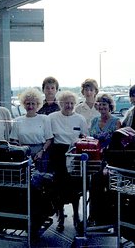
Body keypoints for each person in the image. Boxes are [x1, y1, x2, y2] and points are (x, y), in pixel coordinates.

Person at [48, 91, 88, 232]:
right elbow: (49, 137)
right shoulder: (51, 118)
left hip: (74, 155)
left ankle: (76, 215)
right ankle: (60, 217)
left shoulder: (80, 119)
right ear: (60, 104)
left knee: (74, 188)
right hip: (58, 154)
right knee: (58, 187)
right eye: (66, 103)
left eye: (72, 103)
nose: (69, 106)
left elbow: (85, 137)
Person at [87, 93, 121, 226]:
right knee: (93, 187)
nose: (102, 107)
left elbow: (117, 143)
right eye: (99, 104)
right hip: (94, 159)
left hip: (109, 160)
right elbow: (91, 138)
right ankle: (92, 216)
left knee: (107, 188)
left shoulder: (116, 121)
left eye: (104, 104)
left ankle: (105, 219)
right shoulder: (95, 120)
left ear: (110, 106)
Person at [10, 88, 53, 171]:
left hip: (41, 154)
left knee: (40, 179)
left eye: (33, 104)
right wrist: (22, 151)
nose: (30, 106)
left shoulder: (44, 119)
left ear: (38, 105)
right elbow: (14, 140)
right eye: (28, 104)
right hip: (23, 153)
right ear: (23, 104)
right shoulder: (18, 120)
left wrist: (42, 152)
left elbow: (49, 139)